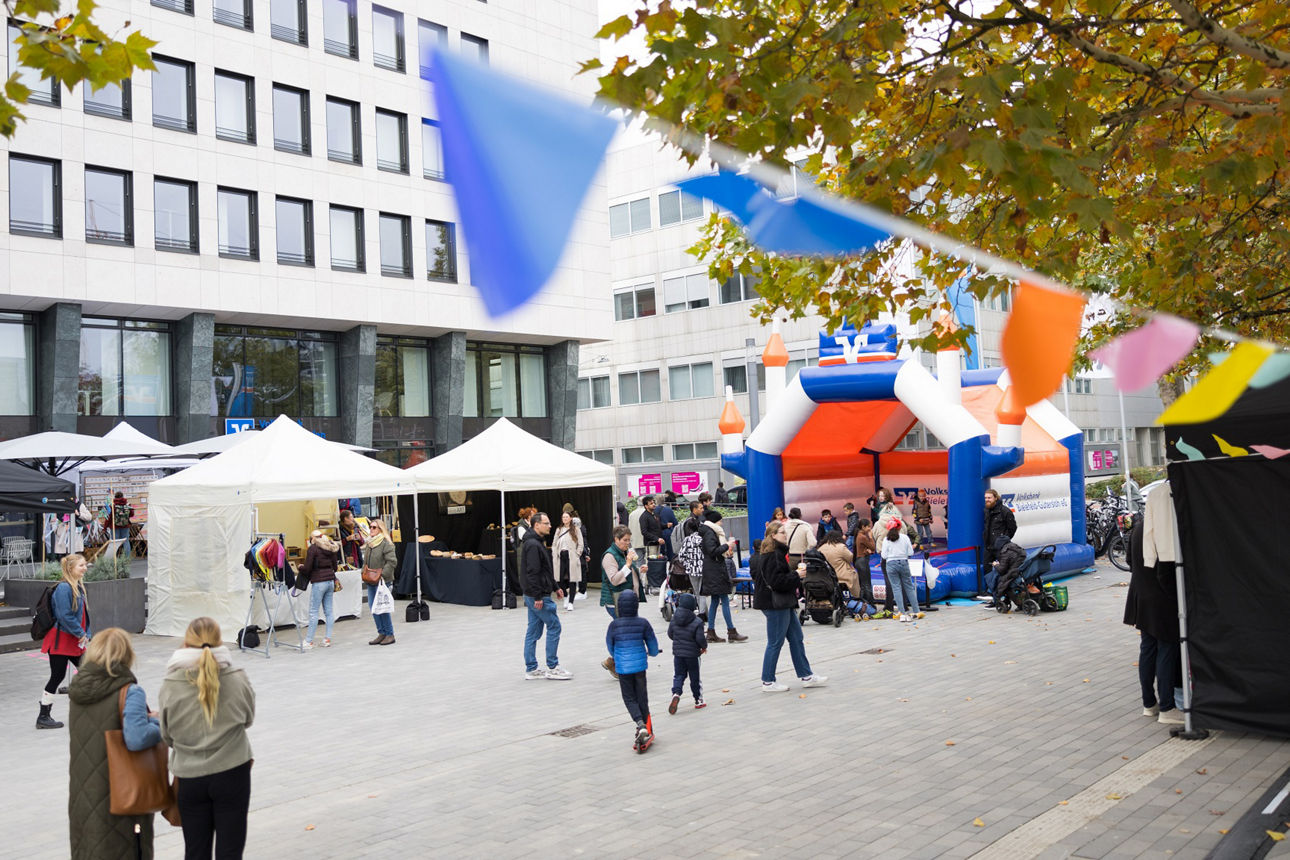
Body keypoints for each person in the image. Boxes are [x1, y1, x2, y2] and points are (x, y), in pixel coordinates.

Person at [160, 617, 256, 860]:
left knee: (195, 851)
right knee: (231, 850)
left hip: (190, 776)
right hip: (233, 770)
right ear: (219, 641)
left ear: (186, 642)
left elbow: (168, 735)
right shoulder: (236, 676)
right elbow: (248, 719)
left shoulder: (171, 683)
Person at [67, 627, 163, 859]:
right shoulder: (130, 691)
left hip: (84, 795)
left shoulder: (78, 692)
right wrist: (160, 725)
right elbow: (136, 738)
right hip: (121, 795)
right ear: (126, 654)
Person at [751, 522, 827, 692]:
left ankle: (806, 675)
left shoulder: (774, 553)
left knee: (796, 638)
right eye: (782, 532)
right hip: (775, 603)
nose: (785, 535)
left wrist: (794, 576)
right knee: (775, 642)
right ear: (773, 536)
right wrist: (796, 575)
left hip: (783, 602)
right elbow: (776, 582)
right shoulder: (773, 555)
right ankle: (768, 681)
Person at [1124, 518, 1183, 725]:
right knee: (1167, 648)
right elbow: (1166, 571)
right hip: (1162, 599)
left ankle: (1149, 703)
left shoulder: (1140, 526)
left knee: (1148, 649)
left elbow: (1130, 562)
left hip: (1141, 596)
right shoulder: (1165, 527)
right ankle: (1167, 707)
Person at [38, 552, 91, 730]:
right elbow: (64, 615)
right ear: (70, 569)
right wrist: (81, 633)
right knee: (57, 676)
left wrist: (86, 633)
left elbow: (84, 616)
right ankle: (43, 716)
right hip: (62, 641)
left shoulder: (77, 586)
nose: (85, 568)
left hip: (74, 640)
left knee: (88, 673)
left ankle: (88, 711)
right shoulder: (64, 588)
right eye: (81, 565)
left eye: (85, 565)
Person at [605, 589, 659, 751]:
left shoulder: (614, 625)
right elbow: (653, 646)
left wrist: (617, 656)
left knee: (629, 698)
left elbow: (610, 646)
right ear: (636, 606)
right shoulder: (643, 623)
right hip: (640, 666)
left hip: (623, 667)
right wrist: (653, 652)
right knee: (642, 697)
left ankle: (640, 724)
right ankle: (646, 727)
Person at [521, 512, 571, 680]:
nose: (550, 526)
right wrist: (538, 597)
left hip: (535, 593)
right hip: (538, 595)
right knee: (554, 626)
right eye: (547, 523)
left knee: (533, 631)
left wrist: (556, 587)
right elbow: (533, 572)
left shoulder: (535, 543)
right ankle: (552, 666)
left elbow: (544, 569)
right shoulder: (533, 545)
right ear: (537, 525)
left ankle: (531, 668)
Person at [599, 525, 642, 677]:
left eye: (629, 540)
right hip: (615, 601)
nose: (627, 543)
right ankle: (617, 663)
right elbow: (615, 580)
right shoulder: (609, 556)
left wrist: (638, 570)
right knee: (625, 633)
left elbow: (628, 574)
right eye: (624, 540)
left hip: (627, 600)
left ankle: (615, 662)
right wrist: (628, 565)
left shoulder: (624, 553)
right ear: (616, 539)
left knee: (626, 633)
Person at [699, 510, 747, 643]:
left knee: (715, 600)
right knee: (724, 599)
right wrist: (727, 545)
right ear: (715, 521)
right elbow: (713, 551)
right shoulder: (710, 532)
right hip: (715, 570)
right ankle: (731, 631)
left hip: (712, 569)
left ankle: (711, 632)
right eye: (720, 520)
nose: (722, 522)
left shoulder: (709, 531)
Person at [667, 592, 707, 713]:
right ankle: (698, 699)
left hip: (678, 654)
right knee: (695, 677)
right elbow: (700, 638)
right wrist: (703, 647)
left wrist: (678, 641)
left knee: (679, 675)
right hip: (693, 655)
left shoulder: (674, 619)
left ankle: (676, 693)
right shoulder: (697, 621)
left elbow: (670, 634)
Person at [299, 529, 340, 649]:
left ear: (313, 538)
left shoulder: (313, 549)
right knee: (329, 611)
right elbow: (335, 567)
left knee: (313, 612)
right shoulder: (330, 547)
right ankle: (327, 639)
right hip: (330, 581)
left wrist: (301, 567)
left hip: (319, 582)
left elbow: (307, 568)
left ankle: (309, 641)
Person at [363, 518, 398, 646]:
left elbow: (392, 561)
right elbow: (365, 561)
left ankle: (389, 634)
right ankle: (381, 632)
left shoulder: (385, 543)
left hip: (383, 581)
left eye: (374, 527)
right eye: (370, 527)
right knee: (373, 607)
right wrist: (364, 572)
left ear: (380, 529)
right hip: (371, 580)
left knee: (383, 608)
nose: (371, 529)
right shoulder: (370, 543)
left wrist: (382, 575)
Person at [881, 521, 921, 622]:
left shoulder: (886, 539)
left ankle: (902, 613)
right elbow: (910, 552)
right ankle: (916, 611)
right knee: (909, 587)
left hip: (891, 564)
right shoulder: (905, 537)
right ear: (899, 527)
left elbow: (884, 555)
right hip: (904, 562)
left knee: (896, 588)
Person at [818, 530, 870, 606]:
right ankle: (857, 599)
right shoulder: (840, 547)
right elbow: (852, 559)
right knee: (854, 576)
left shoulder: (821, 548)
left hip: (826, 577)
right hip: (841, 576)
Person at [552, 509, 584, 612]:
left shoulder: (575, 529)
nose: (565, 519)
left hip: (572, 556)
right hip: (561, 556)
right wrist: (554, 553)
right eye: (563, 517)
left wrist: (577, 553)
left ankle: (571, 602)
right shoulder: (559, 529)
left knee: (572, 580)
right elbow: (554, 543)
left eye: (566, 517)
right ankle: (565, 597)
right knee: (560, 579)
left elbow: (581, 543)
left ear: (570, 518)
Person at [983, 488, 1017, 566]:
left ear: (995, 498)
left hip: (1001, 548)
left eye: (989, 498)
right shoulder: (986, 511)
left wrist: (1003, 540)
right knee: (985, 569)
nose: (987, 500)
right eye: (985, 498)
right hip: (988, 548)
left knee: (1004, 569)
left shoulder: (1005, 511)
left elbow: (1013, 528)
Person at [656, 496, 678, 561]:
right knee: (670, 552)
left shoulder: (654, 510)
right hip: (668, 533)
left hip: (657, 534)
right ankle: (671, 566)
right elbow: (675, 523)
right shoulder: (669, 510)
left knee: (660, 553)